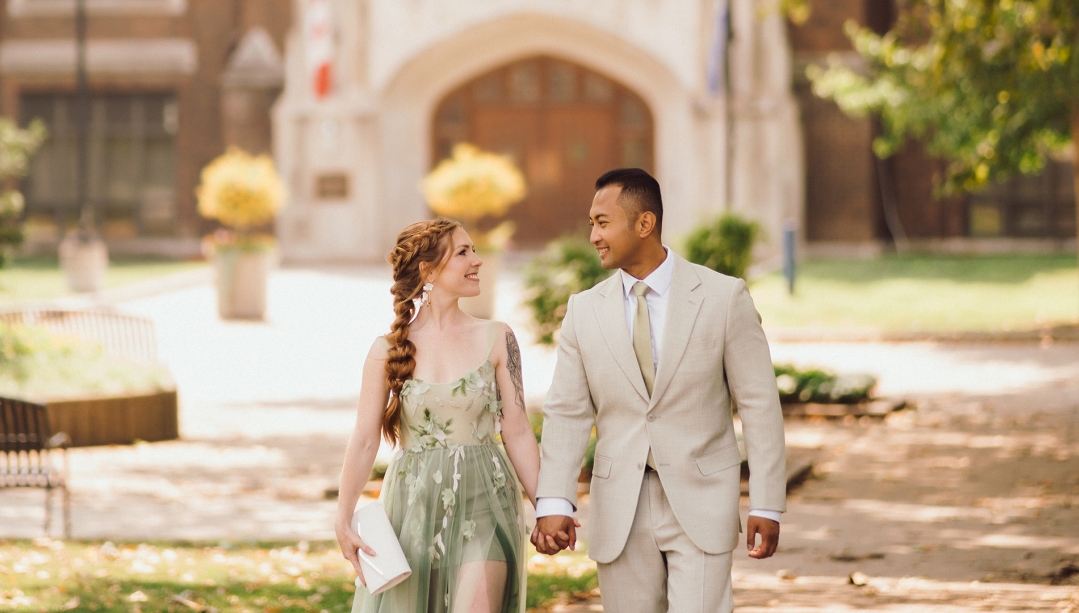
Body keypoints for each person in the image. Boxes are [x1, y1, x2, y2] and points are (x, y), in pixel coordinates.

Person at [531, 169, 787, 613]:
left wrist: (768, 503)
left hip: (702, 499)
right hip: (620, 508)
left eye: (602, 222)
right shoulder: (583, 310)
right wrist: (553, 500)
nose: (593, 235)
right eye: (591, 222)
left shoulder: (724, 298)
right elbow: (567, 413)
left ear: (644, 224)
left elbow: (760, 405)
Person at [335, 218, 542, 613]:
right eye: (463, 252)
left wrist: (547, 509)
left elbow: (517, 431)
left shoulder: (499, 337)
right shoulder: (386, 349)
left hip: (486, 503)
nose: (477, 260)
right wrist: (343, 519)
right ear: (428, 270)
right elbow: (364, 439)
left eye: (474, 250)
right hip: (413, 506)